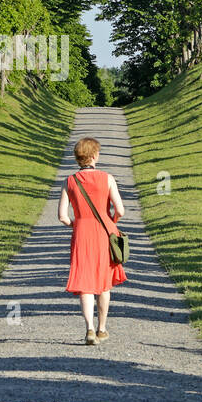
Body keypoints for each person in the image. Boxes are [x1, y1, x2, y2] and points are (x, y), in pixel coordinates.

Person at [58, 136, 126, 345]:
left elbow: (62, 215)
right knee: (104, 283)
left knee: (85, 283)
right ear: (95, 155)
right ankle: (102, 328)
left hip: (82, 234)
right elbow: (120, 210)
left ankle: (88, 328)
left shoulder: (70, 181)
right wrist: (110, 222)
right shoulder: (107, 178)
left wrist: (76, 224)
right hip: (104, 233)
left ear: (78, 158)